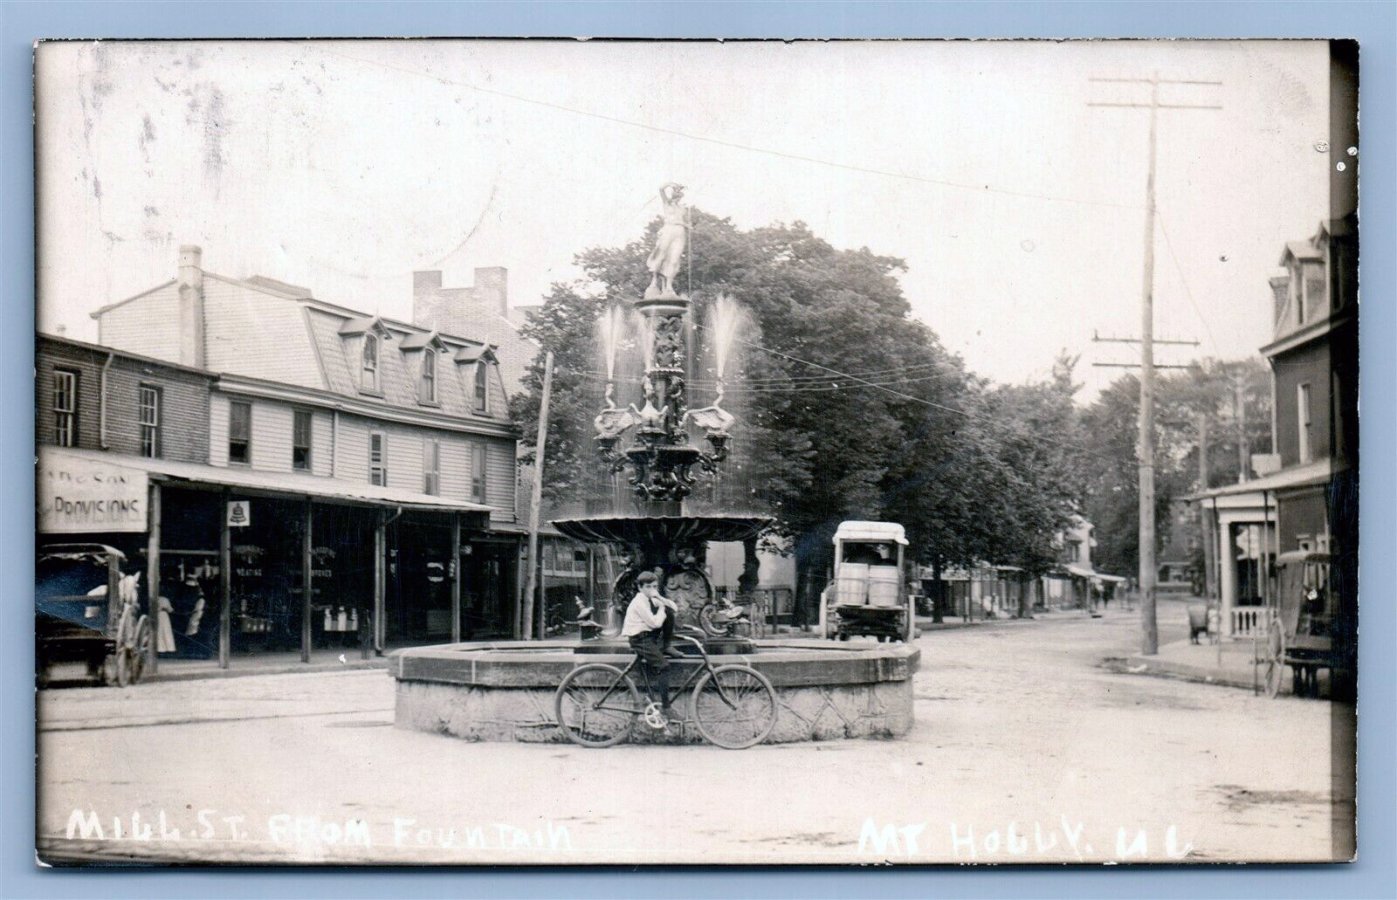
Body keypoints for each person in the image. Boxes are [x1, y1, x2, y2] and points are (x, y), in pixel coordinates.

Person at [622, 571, 683, 713]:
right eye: (648, 587)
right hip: (639, 639)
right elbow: (655, 624)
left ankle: (666, 645)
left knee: (669, 612)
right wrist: (661, 608)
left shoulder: (651, 598)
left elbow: (674, 608)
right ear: (640, 588)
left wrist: (660, 598)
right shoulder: (639, 602)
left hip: (648, 637)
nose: (652, 590)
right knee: (664, 666)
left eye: (654, 586)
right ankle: (666, 708)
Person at [645, 183, 688, 298]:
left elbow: (684, 221)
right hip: (668, 229)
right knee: (661, 254)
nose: (678, 195)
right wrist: (670, 183)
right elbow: (661, 189)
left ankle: (668, 285)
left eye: (679, 194)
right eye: (676, 192)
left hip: (680, 232)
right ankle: (654, 281)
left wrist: (687, 225)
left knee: (674, 260)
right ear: (673, 193)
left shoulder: (683, 208)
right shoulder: (667, 203)